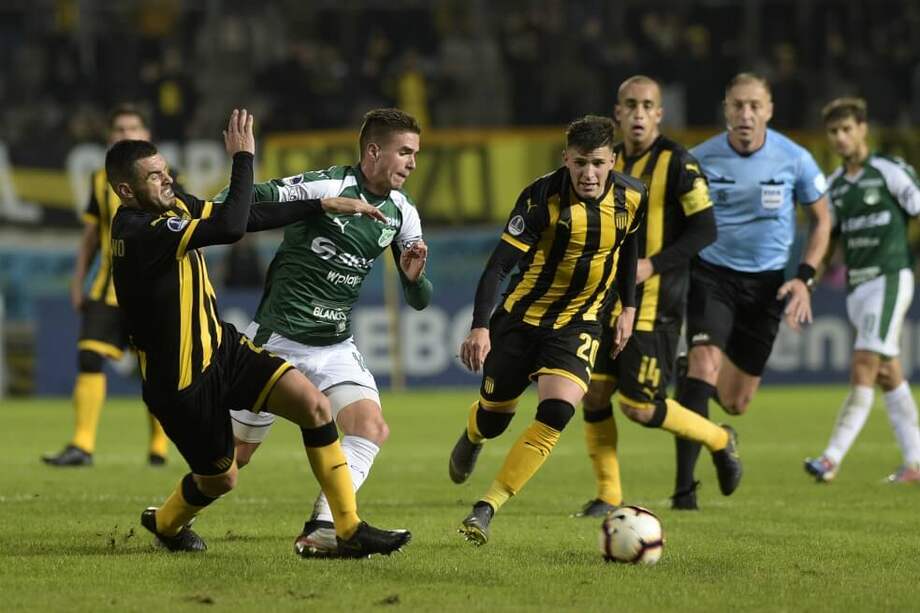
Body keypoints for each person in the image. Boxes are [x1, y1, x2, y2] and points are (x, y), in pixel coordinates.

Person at [108, 108, 410, 557]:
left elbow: (246, 216)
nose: (167, 181)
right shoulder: (140, 230)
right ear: (126, 190)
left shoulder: (170, 208)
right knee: (223, 476)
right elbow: (231, 228)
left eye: (166, 170)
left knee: (314, 404)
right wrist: (244, 158)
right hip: (183, 382)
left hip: (223, 348)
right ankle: (168, 522)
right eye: (154, 177)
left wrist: (321, 204)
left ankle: (344, 529)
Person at [223, 108, 432, 557]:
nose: (413, 162)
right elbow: (240, 200)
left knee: (370, 427)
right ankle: (171, 516)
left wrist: (414, 280)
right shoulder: (326, 186)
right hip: (276, 341)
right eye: (405, 152)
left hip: (334, 345)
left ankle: (323, 527)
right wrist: (239, 173)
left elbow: (419, 300)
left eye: (416, 154)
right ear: (374, 151)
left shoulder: (401, 213)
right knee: (232, 461)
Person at [447, 115, 646, 546]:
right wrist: (481, 327)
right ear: (565, 159)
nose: (588, 174)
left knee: (557, 412)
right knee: (495, 418)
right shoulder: (541, 198)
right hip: (521, 319)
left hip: (580, 321)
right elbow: (498, 265)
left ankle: (487, 507)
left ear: (613, 159)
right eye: (579, 163)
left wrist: (628, 305)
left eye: (597, 163)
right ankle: (474, 433)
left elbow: (629, 246)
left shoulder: (633, 197)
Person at [574, 75, 740, 518]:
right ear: (618, 113)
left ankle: (721, 439)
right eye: (631, 105)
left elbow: (706, 229)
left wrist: (653, 264)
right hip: (607, 301)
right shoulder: (606, 162)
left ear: (660, 114)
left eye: (648, 105)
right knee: (593, 394)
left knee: (640, 407)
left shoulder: (679, 164)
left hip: (655, 305)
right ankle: (609, 494)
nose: (639, 113)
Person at [672, 73, 832, 509]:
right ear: (725, 108)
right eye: (737, 105)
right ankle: (684, 492)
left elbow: (823, 220)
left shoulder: (794, 158)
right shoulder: (700, 159)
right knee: (704, 364)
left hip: (766, 286)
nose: (745, 114)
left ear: (769, 109)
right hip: (712, 277)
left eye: (754, 106)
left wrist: (805, 277)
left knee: (735, 402)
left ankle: (720, 433)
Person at [43, 106, 169, 467]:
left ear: (146, 132)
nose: (126, 132)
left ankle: (159, 446)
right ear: (111, 135)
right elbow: (89, 237)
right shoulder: (101, 180)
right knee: (88, 356)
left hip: (150, 293)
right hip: (106, 288)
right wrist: (77, 279)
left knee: (155, 369)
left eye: (133, 126)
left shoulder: (166, 177)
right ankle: (82, 445)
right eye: (119, 127)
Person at [804, 97, 920, 484]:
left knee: (863, 366)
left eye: (846, 129)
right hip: (856, 288)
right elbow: (828, 240)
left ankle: (830, 459)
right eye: (833, 132)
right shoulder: (834, 187)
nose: (839, 138)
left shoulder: (889, 171)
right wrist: (809, 279)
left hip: (888, 278)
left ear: (862, 129)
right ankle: (916, 464)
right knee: (889, 373)